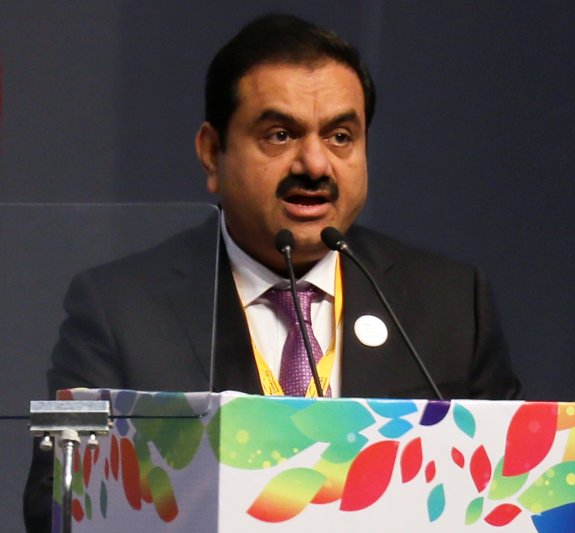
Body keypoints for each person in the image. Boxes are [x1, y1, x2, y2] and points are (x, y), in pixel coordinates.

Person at [24, 13, 522, 531]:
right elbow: (55, 506)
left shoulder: (449, 303)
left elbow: (509, 491)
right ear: (212, 153)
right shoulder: (120, 309)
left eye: (341, 136)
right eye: (281, 135)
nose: (314, 164)